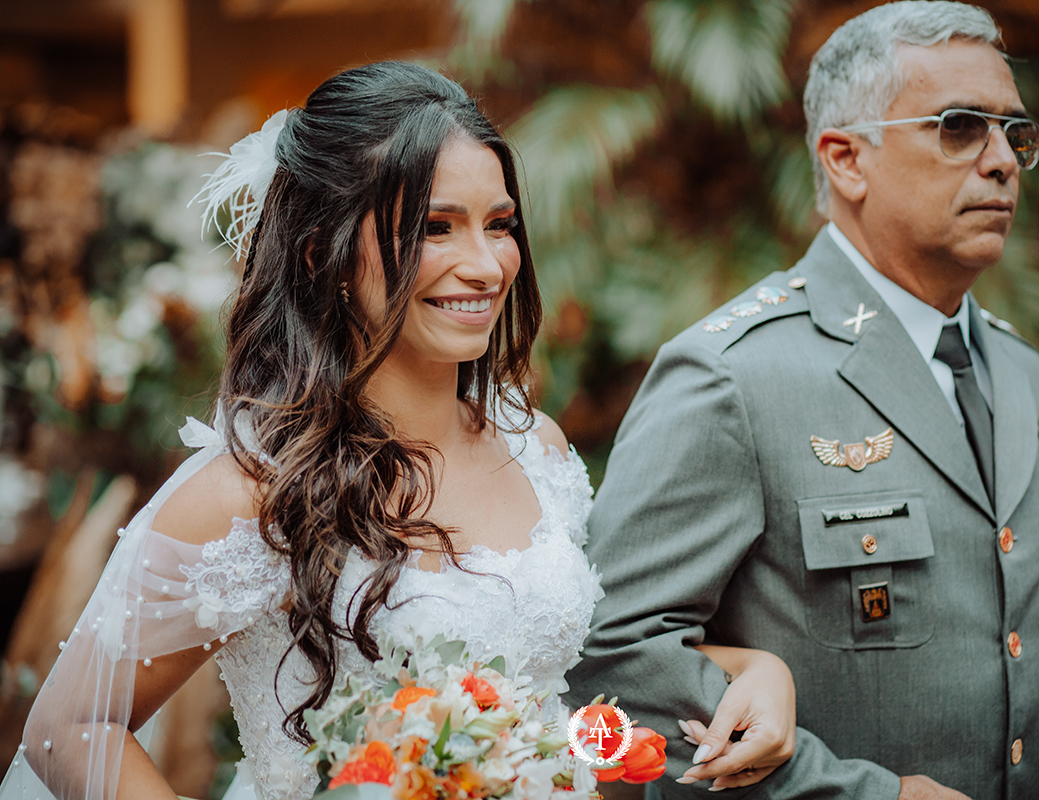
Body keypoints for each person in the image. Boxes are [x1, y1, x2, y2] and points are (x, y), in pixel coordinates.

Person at [0, 62, 794, 800]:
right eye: (436, 228)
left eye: (500, 224)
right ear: (324, 253)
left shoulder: (537, 450)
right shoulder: (251, 496)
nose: (486, 265)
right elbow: (71, 729)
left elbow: (572, 682)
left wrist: (750, 671)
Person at [567, 3, 1039, 799]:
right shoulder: (734, 376)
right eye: (959, 127)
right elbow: (607, 663)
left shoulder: (1022, 373)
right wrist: (854, 793)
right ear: (846, 160)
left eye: (1015, 134)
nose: (1002, 162)